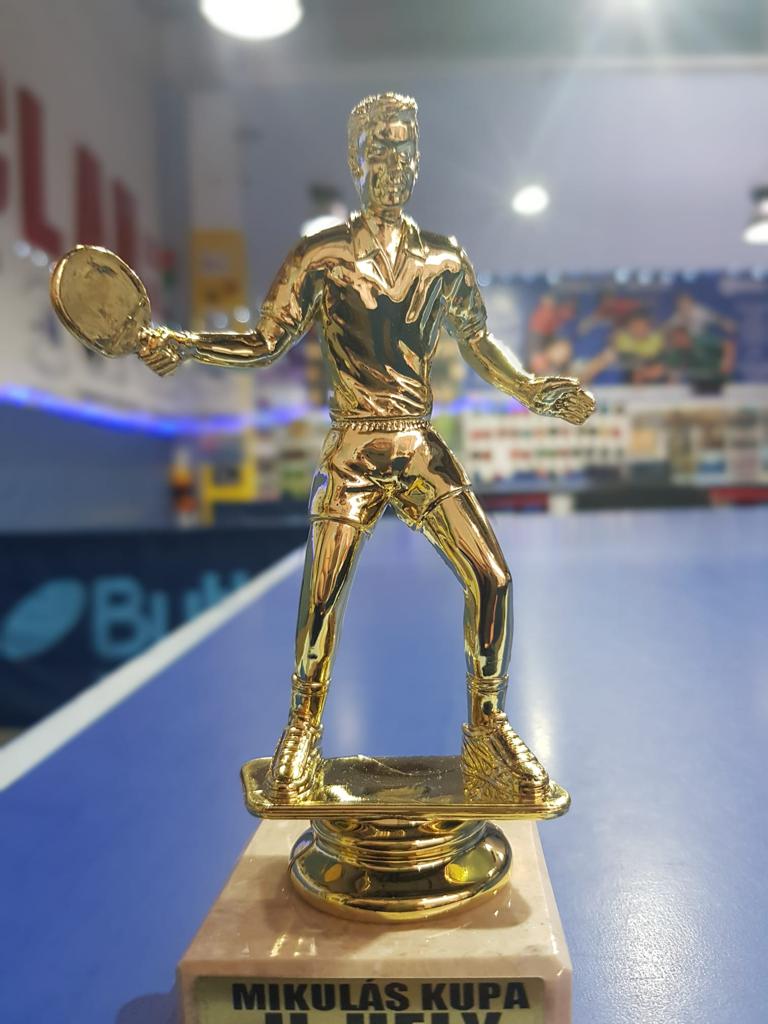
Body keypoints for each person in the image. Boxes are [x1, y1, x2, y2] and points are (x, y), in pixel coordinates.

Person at [137, 93, 595, 803]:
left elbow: (477, 341)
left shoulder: (444, 257)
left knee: (493, 578)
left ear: (418, 160)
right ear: (356, 162)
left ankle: (488, 726)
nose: (394, 163)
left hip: (417, 446)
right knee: (321, 597)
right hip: (353, 449)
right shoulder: (320, 256)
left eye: (404, 149)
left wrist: (532, 388)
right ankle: (302, 728)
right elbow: (264, 341)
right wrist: (188, 343)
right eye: (380, 150)